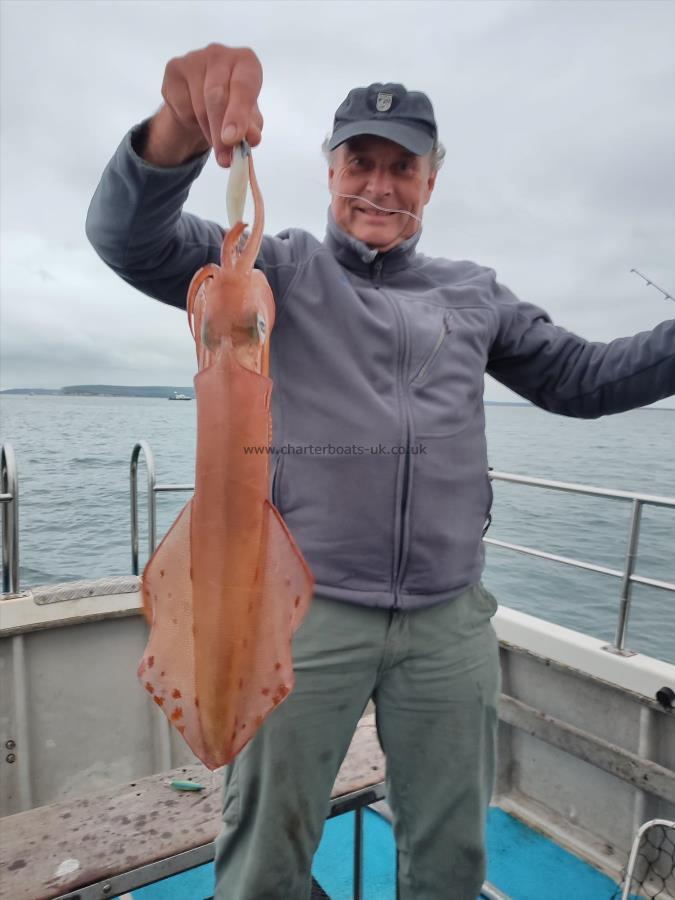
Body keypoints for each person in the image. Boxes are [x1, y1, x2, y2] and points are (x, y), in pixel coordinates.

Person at [86, 44, 675, 900]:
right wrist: (173, 129)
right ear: (329, 171)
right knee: (264, 857)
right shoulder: (275, 267)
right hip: (301, 611)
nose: (380, 186)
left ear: (431, 181)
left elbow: (581, 380)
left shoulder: (476, 294)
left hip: (447, 620)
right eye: (360, 162)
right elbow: (128, 240)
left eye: (403, 167)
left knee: (449, 858)